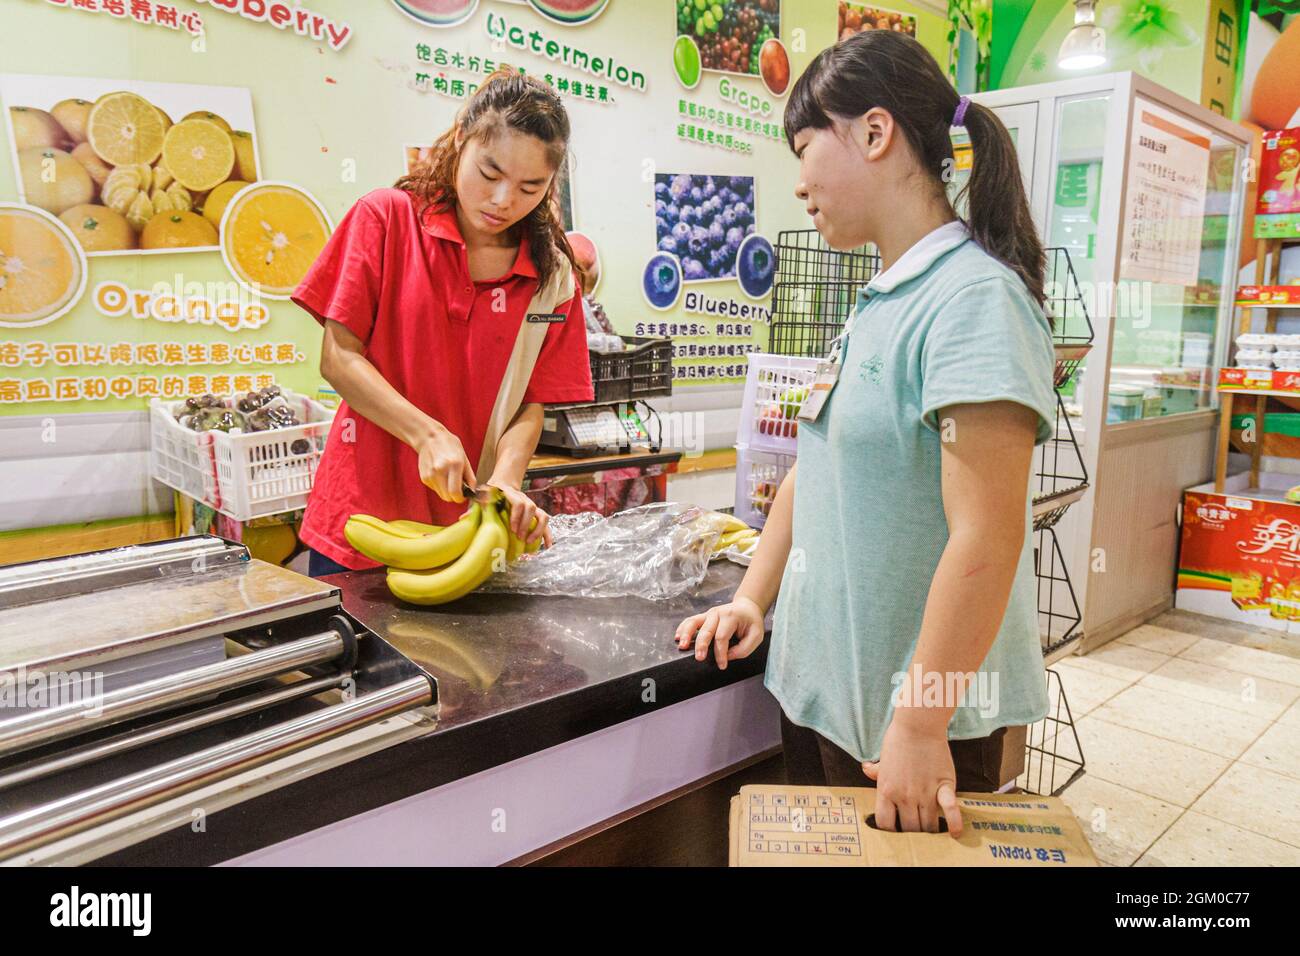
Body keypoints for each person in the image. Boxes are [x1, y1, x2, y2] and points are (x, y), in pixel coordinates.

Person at [674, 30, 1056, 837]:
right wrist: (752, 596)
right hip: (827, 694)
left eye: (805, 148)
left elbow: (987, 535)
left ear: (874, 133)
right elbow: (813, 468)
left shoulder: (973, 303)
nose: (800, 183)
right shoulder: (878, 301)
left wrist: (919, 725)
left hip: (911, 726)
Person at [292, 68, 594, 576]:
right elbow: (338, 357)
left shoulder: (553, 275)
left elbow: (530, 403)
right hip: (362, 517)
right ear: (461, 140)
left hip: (470, 528)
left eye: (529, 187)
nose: (503, 202)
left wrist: (506, 480)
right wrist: (426, 435)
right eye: (490, 173)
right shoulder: (386, 220)